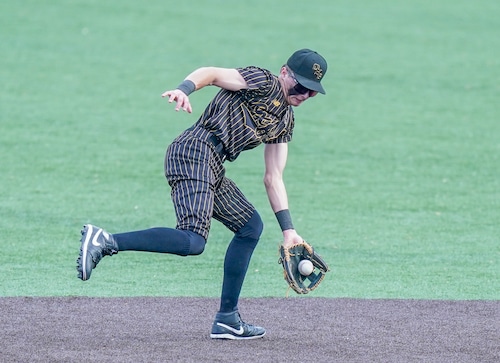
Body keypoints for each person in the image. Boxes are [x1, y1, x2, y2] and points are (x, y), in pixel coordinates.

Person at [77, 48, 328, 340]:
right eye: (300, 86)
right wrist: (184, 90)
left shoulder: (285, 120)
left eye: (311, 92)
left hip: (212, 163)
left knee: (250, 227)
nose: (304, 95)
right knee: (192, 240)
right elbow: (211, 73)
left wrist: (289, 232)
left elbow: (273, 178)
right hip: (194, 150)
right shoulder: (263, 81)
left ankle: (227, 320)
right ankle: (105, 241)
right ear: (285, 72)